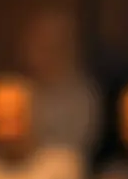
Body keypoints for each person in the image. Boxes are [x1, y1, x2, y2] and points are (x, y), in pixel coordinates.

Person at [20, 10, 103, 157]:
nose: (35, 54)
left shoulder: (82, 96)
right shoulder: (19, 91)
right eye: (34, 44)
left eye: (46, 46)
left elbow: (75, 147)